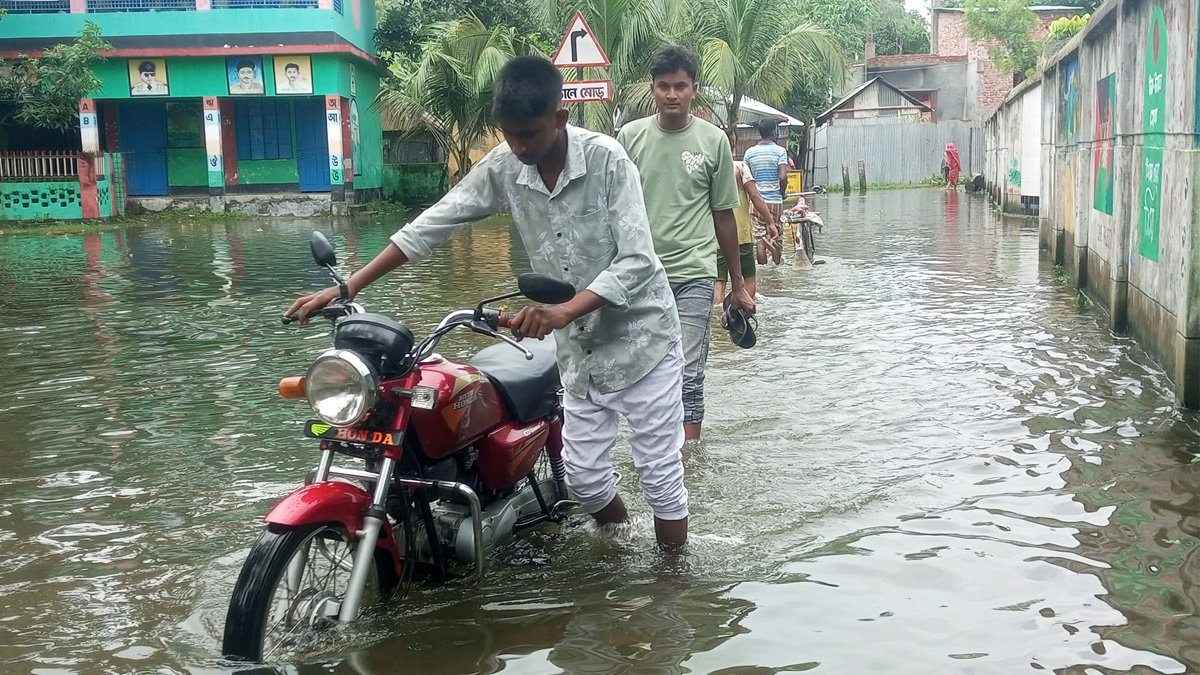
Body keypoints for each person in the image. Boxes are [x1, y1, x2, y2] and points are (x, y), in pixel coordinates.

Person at [284, 56, 691, 548]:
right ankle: (621, 546)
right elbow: (435, 222)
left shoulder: (607, 160)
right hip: (581, 354)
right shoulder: (504, 165)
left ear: (560, 119)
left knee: (661, 480)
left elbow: (638, 261)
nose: (518, 147)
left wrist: (563, 311)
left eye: (529, 134)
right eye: (509, 135)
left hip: (642, 340)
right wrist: (350, 285)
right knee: (583, 480)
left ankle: (672, 590)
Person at [617, 44, 754, 442]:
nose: (671, 94)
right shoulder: (629, 138)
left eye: (680, 86)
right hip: (639, 275)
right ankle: (653, 451)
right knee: (640, 370)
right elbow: (612, 209)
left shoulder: (713, 141)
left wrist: (738, 283)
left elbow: (724, 216)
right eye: (663, 86)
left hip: (694, 273)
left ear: (694, 88)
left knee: (689, 372)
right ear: (652, 89)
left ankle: (687, 463)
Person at [714, 160, 772, 304]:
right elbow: (754, 195)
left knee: (719, 281)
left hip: (717, 236)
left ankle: (717, 320)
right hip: (741, 235)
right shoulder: (741, 167)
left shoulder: (710, 166)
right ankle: (743, 315)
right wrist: (770, 222)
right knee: (748, 277)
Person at [743, 118, 789, 266]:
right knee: (776, 237)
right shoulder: (780, 151)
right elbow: (783, 176)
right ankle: (776, 269)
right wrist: (782, 193)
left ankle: (762, 271)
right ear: (774, 132)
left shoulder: (749, 153)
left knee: (759, 239)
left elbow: (745, 177)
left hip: (755, 201)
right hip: (775, 201)